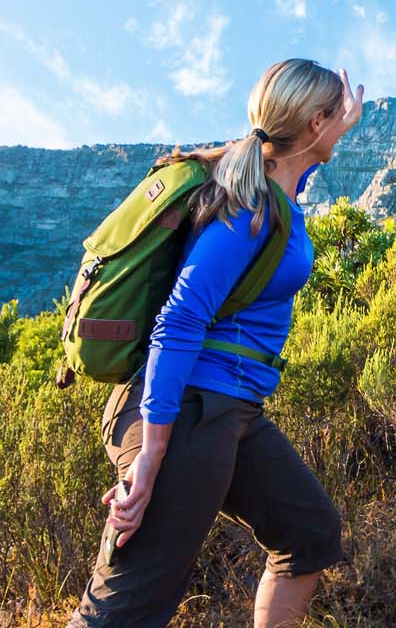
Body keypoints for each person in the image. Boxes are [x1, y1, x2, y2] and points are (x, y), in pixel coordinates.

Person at [68, 59, 365, 628]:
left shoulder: (274, 191)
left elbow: (295, 169)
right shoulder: (247, 211)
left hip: (230, 412)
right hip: (186, 413)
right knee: (126, 607)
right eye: (333, 117)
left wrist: (336, 130)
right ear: (313, 122)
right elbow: (180, 320)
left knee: (308, 533)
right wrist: (153, 454)